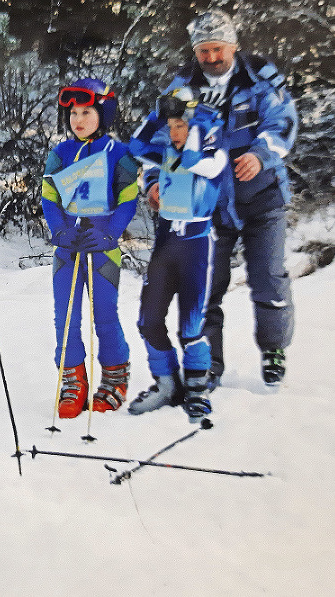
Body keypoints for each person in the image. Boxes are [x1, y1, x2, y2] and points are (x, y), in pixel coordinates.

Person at [161, 9, 298, 388]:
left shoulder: (259, 78)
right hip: (208, 204)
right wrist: (156, 180)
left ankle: (273, 349)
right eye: (204, 51)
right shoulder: (180, 90)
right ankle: (208, 363)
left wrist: (259, 154)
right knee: (204, 287)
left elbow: (282, 121)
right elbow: (161, 141)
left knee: (268, 278)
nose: (211, 58)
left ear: (233, 46)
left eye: (218, 49)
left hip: (262, 198)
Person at [127, 88, 230, 422]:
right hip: (167, 240)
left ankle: (197, 389)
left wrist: (198, 118)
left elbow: (207, 165)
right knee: (149, 320)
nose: (174, 133)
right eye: (171, 126)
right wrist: (158, 116)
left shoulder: (212, 152)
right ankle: (167, 384)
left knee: (192, 326)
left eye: (181, 126)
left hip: (197, 243)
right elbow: (137, 146)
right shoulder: (169, 151)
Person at [41, 78, 139, 418]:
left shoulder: (119, 154)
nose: (78, 119)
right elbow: (49, 197)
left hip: (102, 247)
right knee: (64, 317)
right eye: (73, 113)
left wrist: (111, 235)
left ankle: (115, 375)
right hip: (68, 246)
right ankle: (72, 378)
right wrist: (59, 230)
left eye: (86, 112)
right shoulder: (61, 153)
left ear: (103, 113)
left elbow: (128, 199)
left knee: (105, 315)